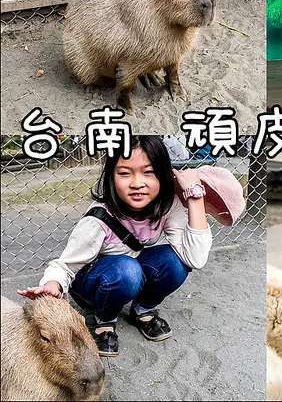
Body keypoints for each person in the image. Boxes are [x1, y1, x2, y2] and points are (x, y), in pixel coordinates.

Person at [16, 136, 242, 357]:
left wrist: (194, 196)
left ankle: (142, 309)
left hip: (129, 272)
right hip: (94, 282)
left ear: (163, 175)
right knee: (127, 270)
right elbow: (65, 265)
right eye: (125, 173)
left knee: (176, 263)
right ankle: (104, 320)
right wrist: (53, 284)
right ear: (112, 177)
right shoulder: (97, 219)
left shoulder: (166, 206)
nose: (137, 183)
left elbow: (196, 258)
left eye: (149, 172)